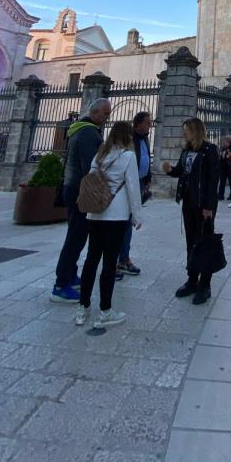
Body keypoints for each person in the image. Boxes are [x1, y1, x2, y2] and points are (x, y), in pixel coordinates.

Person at [76, 121, 142, 329]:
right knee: (109, 264)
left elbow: (91, 179)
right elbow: (133, 187)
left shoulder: (99, 156)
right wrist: (137, 215)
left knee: (91, 260)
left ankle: (83, 307)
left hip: (95, 214)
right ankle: (105, 311)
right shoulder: (128, 156)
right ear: (127, 136)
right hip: (116, 215)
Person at [51, 98, 111, 304]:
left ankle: (70, 274)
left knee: (76, 235)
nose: (107, 118)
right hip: (79, 191)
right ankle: (61, 285)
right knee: (76, 238)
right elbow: (91, 168)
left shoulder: (80, 130)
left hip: (73, 188)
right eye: (104, 114)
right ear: (94, 112)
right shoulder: (87, 133)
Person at [164, 118, 220, 304]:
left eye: (186, 130)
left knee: (204, 243)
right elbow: (182, 171)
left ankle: (205, 285)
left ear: (195, 131)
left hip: (203, 205)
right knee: (191, 242)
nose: (183, 133)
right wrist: (170, 170)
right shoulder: (186, 150)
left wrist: (208, 207)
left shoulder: (209, 150)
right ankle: (191, 280)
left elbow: (213, 180)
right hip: (188, 202)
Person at [117, 111, 152, 278]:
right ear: (138, 124)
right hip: (128, 184)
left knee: (128, 222)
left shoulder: (144, 137)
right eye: (147, 122)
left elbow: (146, 157)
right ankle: (119, 260)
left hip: (139, 182)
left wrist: (148, 178)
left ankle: (123, 258)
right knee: (122, 221)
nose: (150, 125)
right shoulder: (129, 138)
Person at [218, 136, 231, 201]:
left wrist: (230, 154)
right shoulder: (222, 148)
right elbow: (220, 157)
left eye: (225, 141)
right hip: (222, 167)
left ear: (229, 142)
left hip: (230, 168)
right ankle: (220, 195)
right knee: (222, 182)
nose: (224, 143)